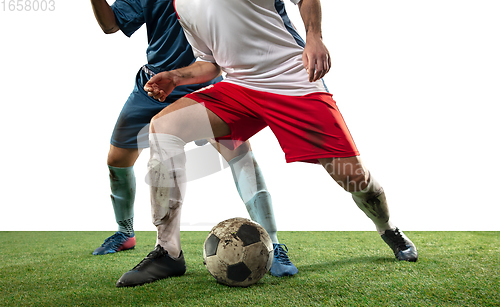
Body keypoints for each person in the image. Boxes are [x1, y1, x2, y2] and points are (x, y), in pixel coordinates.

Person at [115, 0, 418, 288]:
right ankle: (168, 252)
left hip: (293, 84)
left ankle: (388, 229)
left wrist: (314, 37)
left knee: (353, 177)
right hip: (239, 89)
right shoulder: (182, 4)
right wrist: (176, 76)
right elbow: (210, 63)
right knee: (164, 126)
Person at [90, 0, 301, 278]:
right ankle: (126, 232)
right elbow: (110, 25)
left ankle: (273, 245)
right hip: (154, 85)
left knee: (239, 155)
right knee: (117, 160)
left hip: (204, 85)